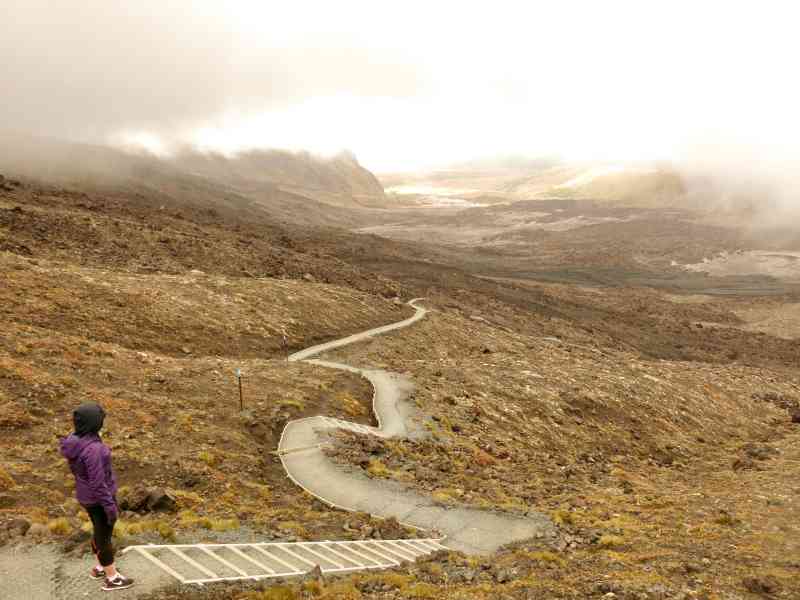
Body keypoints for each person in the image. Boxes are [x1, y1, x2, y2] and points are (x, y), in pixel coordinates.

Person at [60, 403, 134, 591]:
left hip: (86, 497)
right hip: (99, 499)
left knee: (99, 531)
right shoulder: (94, 449)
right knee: (104, 537)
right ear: (95, 423)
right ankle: (112, 578)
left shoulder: (74, 440)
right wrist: (110, 507)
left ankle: (100, 567)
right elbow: (98, 482)